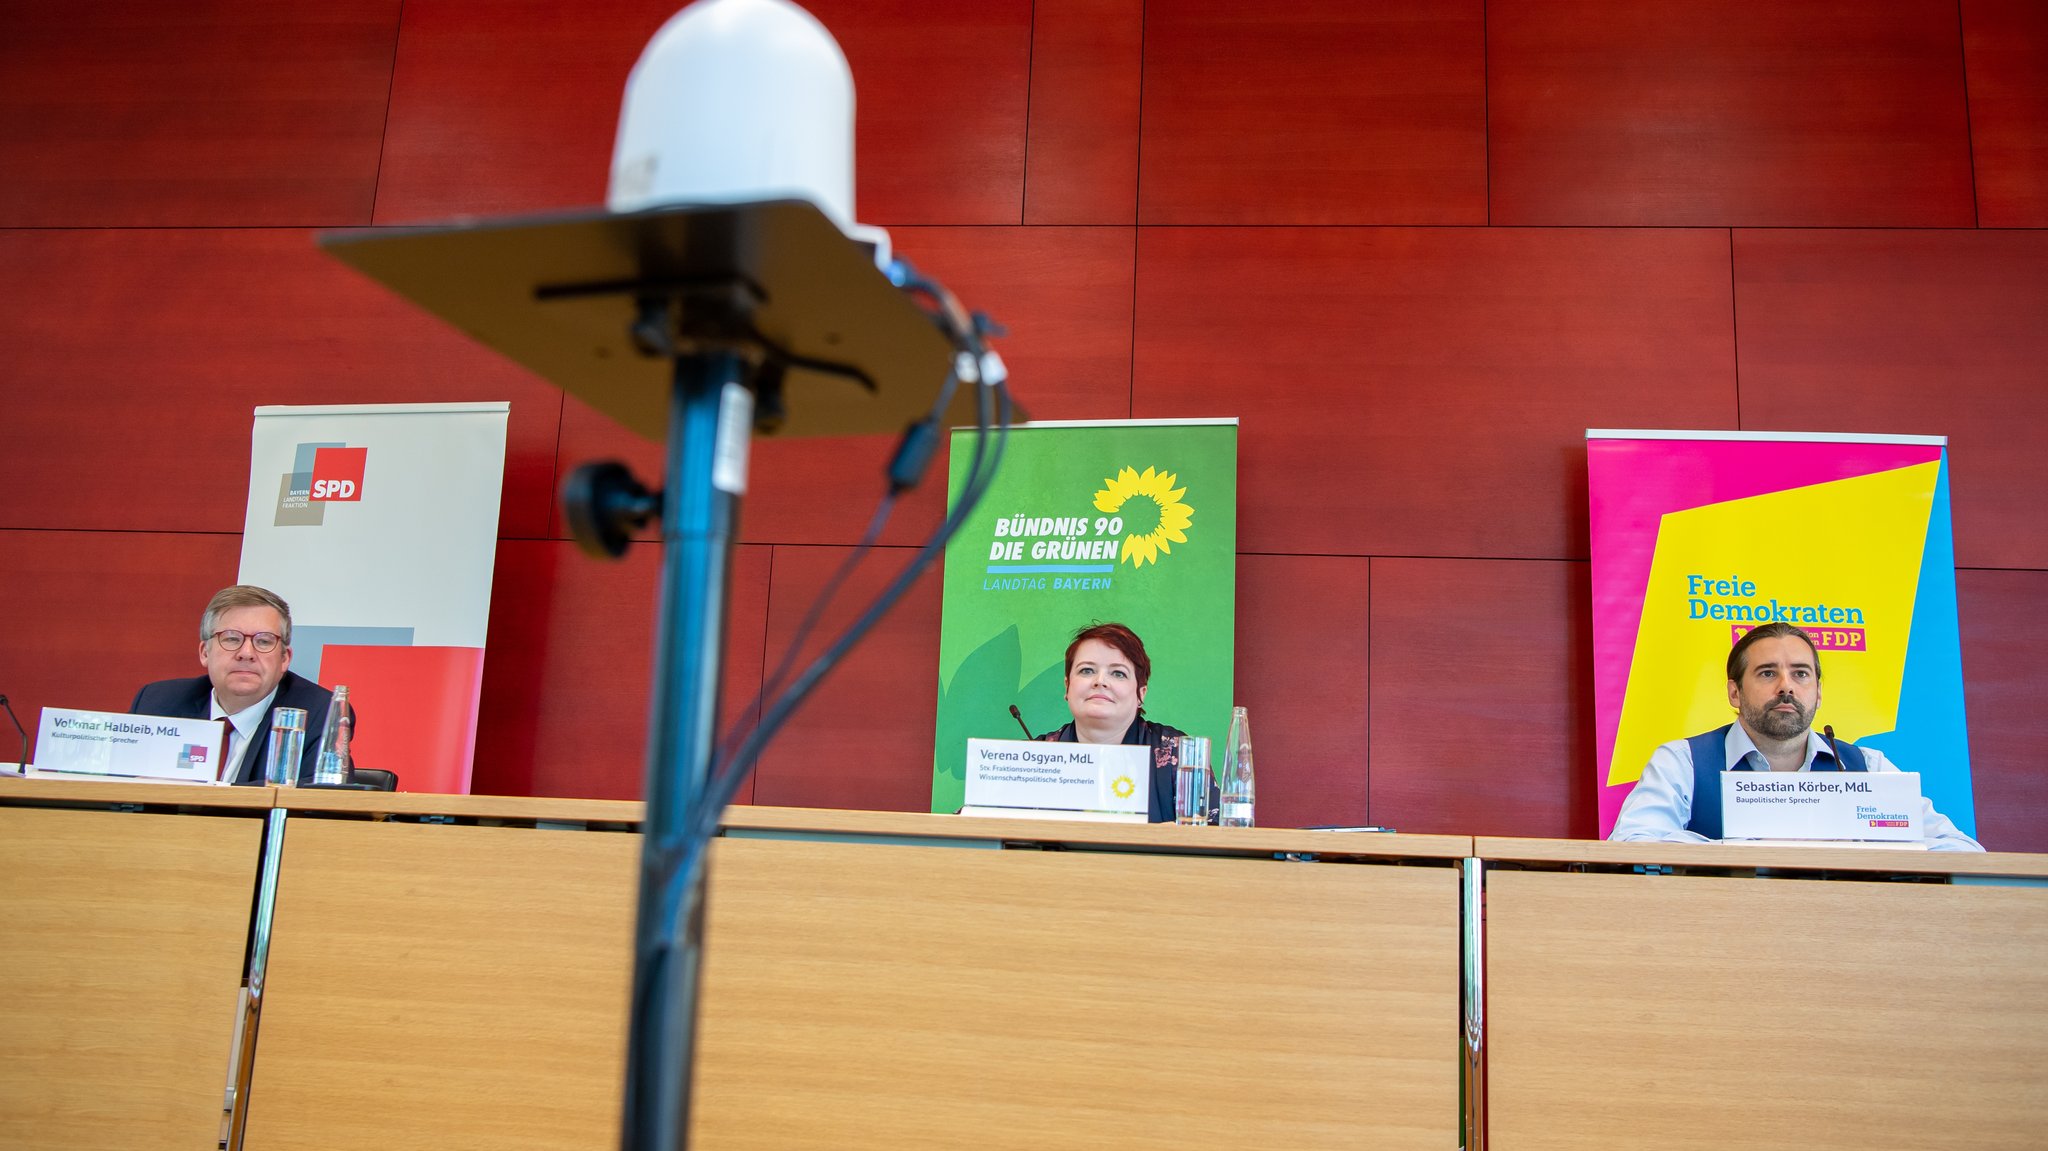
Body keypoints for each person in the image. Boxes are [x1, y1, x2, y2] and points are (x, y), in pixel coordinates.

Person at [1610, 621, 1982, 851]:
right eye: (1768, 673)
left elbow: (1960, 849)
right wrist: (1754, 850)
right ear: (1734, 693)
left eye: (1801, 674)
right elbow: (1631, 842)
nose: (1786, 686)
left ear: (1818, 692)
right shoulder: (1684, 761)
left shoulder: (1866, 766)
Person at [130, 585, 341, 786]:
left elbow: (320, 796)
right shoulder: (158, 703)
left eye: (264, 641)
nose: (246, 653)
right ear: (205, 652)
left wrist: (200, 796)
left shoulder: (319, 712)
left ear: (285, 658)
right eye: (231, 639)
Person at [1033, 622, 1203, 823]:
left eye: (1118, 673)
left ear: (1141, 693)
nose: (1100, 681)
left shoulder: (1177, 753)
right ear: (1067, 686)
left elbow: (1215, 839)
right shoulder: (1035, 757)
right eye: (1087, 670)